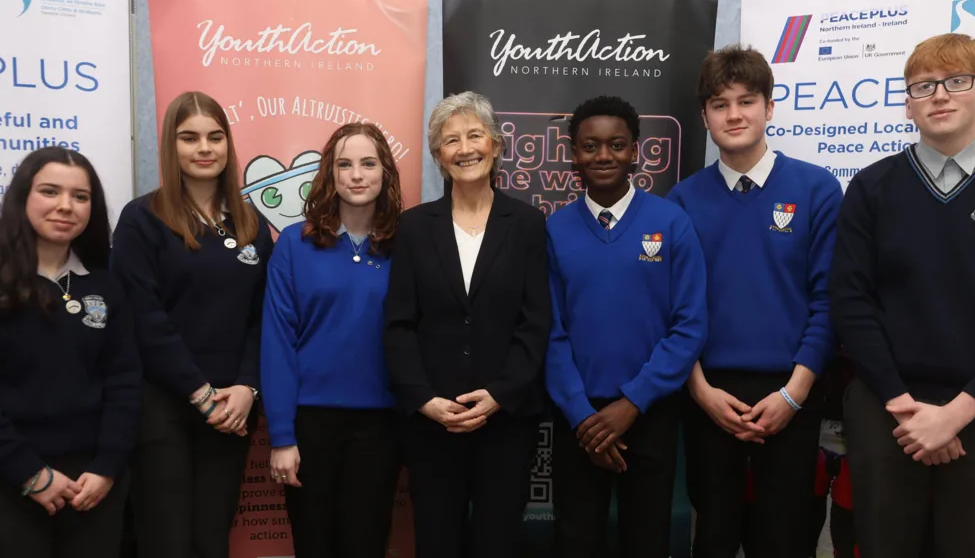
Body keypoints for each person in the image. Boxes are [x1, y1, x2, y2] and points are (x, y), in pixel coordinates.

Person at [830, 32, 975, 558]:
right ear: (908, 104)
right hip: (888, 403)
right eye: (923, 86)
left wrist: (957, 413)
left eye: (957, 81)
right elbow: (850, 301)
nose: (939, 95)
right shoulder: (871, 187)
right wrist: (906, 407)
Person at [666, 44, 842, 558]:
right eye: (720, 104)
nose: (734, 114)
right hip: (707, 393)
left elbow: (829, 301)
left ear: (769, 106)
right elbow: (672, 308)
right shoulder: (682, 200)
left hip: (791, 390)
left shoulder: (816, 189)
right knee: (714, 536)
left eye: (747, 100)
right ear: (704, 117)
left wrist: (793, 395)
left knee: (783, 539)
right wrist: (699, 391)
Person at [383, 91, 551, 558]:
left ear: (496, 144)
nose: (465, 148)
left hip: (506, 421)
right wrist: (423, 400)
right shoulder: (414, 227)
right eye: (450, 140)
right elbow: (398, 325)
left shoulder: (528, 224)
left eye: (475, 135)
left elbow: (536, 322)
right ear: (438, 156)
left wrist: (500, 395)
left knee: (497, 542)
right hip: (433, 423)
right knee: (437, 542)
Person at [111, 91, 274, 558]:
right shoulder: (142, 220)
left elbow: (262, 317)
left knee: (211, 538)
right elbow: (145, 319)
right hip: (164, 406)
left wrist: (246, 387)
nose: (204, 148)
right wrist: (200, 394)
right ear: (171, 146)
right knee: (166, 540)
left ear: (228, 145)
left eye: (215, 137)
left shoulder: (252, 226)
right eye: (190, 138)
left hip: (231, 411)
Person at [546, 95, 708, 558]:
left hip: (650, 413)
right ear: (573, 153)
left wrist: (632, 402)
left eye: (616, 145)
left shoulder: (671, 223)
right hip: (577, 419)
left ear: (635, 150)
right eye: (590, 146)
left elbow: (690, 325)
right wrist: (582, 417)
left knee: (647, 540)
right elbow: (549, 333)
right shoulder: (554, 231)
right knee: (575, 541)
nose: (603, 156)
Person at [262, 122, 404, 557]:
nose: (356, 175)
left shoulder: (409, 245)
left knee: (366, 544)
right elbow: (278, 344)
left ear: (385, 174)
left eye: (368, 163)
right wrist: (282, 438)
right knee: (314, 544)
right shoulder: (294, 244)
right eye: (345, 164)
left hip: (382, 426)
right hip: (310, 426)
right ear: (330, 174)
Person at [0, 147, 141, 557]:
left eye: (80, 196)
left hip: (92, 482)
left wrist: (107, 467)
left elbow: (124, 381)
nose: (65, 206)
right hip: (8, 478)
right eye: (50, 191)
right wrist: (31, 475)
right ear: (23, 197)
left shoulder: (105, 286)